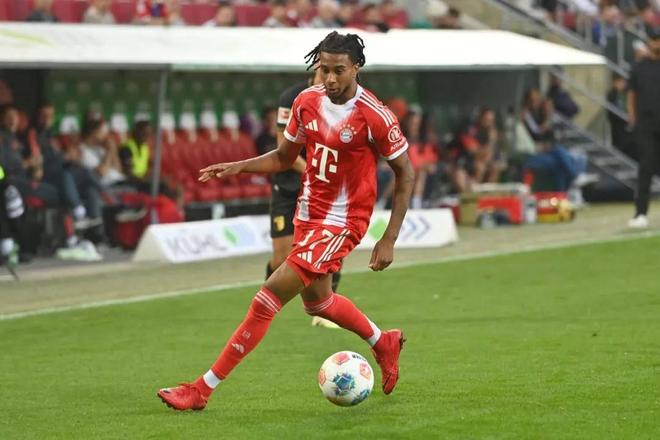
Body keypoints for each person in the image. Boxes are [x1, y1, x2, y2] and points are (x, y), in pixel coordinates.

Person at [158, 31, 414, 411]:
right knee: (319, 304)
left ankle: (201, 390)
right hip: (308, 213)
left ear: (356, 68)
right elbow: (283, 157)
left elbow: (406, 173)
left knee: (267, 298)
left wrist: (389, 238)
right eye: (324, 69)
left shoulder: (374, 115)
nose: (330, 78)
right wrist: (238, 166)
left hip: (343, 221)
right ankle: (383, 341)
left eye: (339, 70)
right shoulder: (306, 101)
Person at [627, 28, 660, 228]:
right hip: (646, 124)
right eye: (654, 40)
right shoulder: (638, 67)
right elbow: (631, 93)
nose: (657, 44)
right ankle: (640, 213)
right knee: (645, 166)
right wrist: (632, 116)